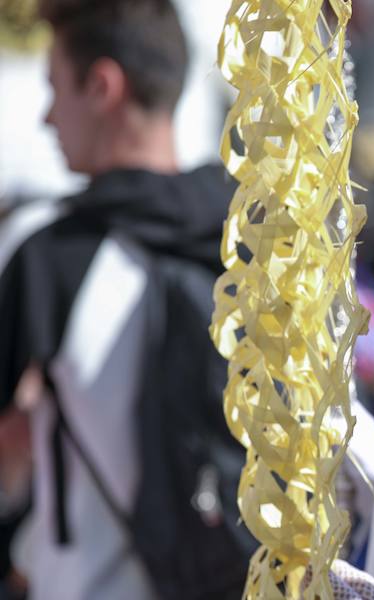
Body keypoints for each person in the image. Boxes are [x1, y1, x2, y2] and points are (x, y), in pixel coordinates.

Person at [0, 0, 256, 598]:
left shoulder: (52, 255)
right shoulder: (248, 242)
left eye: (54, 88)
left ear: (102, 85)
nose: (46, 118)